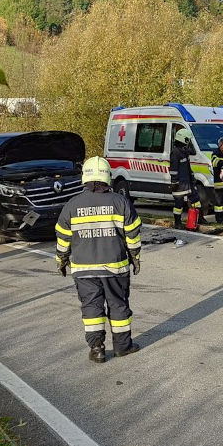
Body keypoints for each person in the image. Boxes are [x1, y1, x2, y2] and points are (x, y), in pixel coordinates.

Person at [55, 156, 142, 364]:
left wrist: (61, 260)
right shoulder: (120, 202)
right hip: (115, 267)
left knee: (91, 308)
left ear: (85, 177)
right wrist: (135, 258)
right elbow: (133, 235)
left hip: (83, 270)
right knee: (118, 305)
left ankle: (97, 349)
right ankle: (122, 347)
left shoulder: (72, 205)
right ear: (108, 177)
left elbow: (62, 237)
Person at [170, 127, 199, 229]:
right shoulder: (175, 152)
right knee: (178, 204)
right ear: (183, 139)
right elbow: (173, 169)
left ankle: (199, 219)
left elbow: (192, 155)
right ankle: (177, 223)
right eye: (187, 140)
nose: (188, 142)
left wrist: (192, 177)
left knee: (196, 199)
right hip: (179, 183)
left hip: (187, 182)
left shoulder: (184, 151)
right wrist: (174, 182)